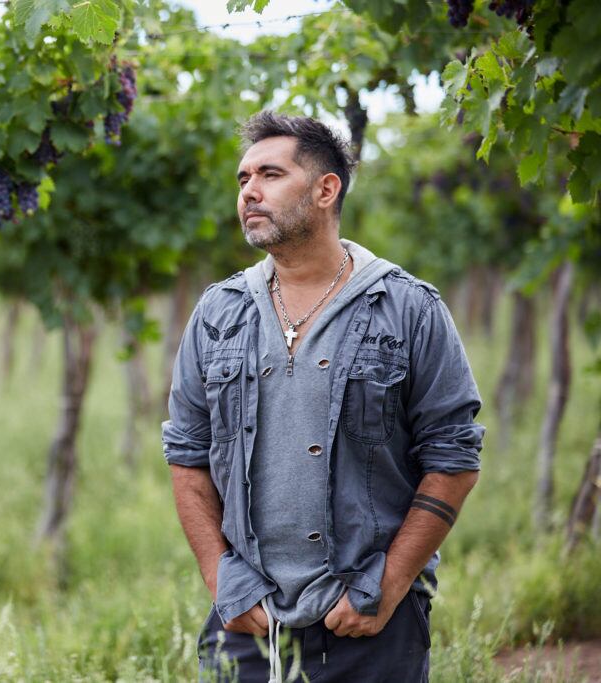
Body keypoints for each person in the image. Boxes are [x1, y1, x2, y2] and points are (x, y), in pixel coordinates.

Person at [161, 111, 485, 683]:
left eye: (269, 174)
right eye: (242, 180)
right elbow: (187, 454)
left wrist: (388, 586)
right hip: (247, 622)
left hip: (366, 619)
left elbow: (454, 458)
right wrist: (221, 581)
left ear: (325, 189)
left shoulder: (409, 309)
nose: (249, 192)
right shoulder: (218, 313)